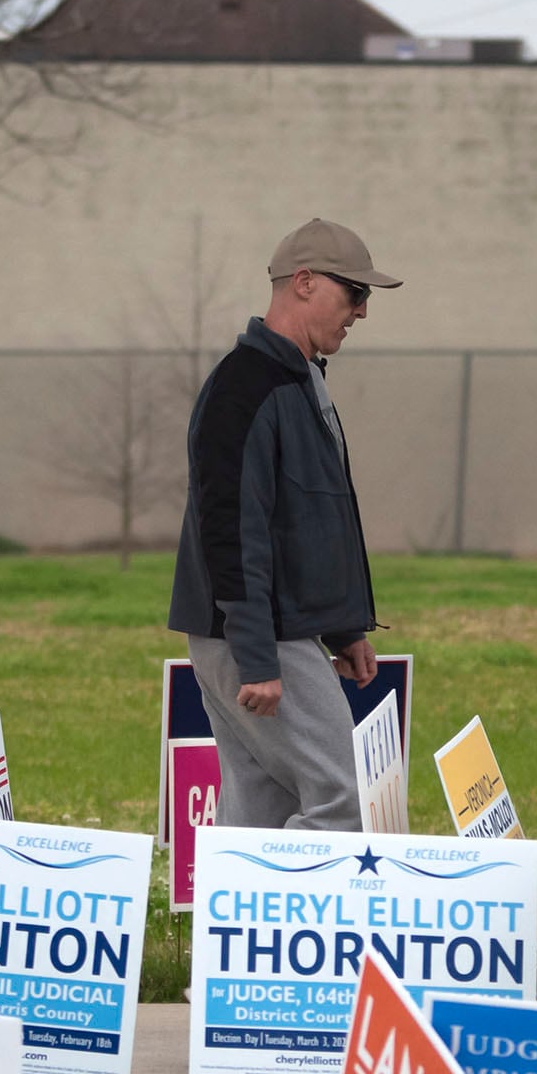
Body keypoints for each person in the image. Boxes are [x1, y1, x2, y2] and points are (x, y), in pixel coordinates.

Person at [167, 218, 399, 830]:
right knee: (343, 798)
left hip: (270, 630)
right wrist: (257, 657)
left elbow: (308, 525)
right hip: (256, 634)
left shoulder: (300, 383)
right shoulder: (245, 388)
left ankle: (232, 928)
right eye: (355, 294)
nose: (362, 312)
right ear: (303, 282)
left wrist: (343, 628)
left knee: (263, 807)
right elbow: (231, 531)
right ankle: (316, 928)